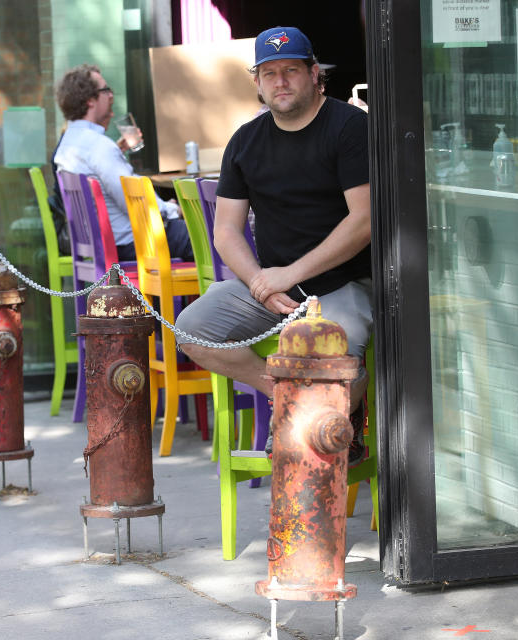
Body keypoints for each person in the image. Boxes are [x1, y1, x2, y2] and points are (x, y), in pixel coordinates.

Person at [174, 26, 373, 459]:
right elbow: (225, 231)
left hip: (342, 284)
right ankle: (288, 398)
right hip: (273, 290)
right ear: (257, 83)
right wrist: (261, 282)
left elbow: (365, 220)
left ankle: (322, 421)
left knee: (342, 350)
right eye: (269, 73)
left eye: (291, 70)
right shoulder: (246, 140)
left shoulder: (350, 127)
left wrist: (290, 275)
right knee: (190, 331)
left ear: (314, 73)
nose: (280, 81)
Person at [53, 64, 194, 262]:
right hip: (136, 242)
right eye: (105, 90)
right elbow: (135, 201)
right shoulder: (98, 146)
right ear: (89, 101)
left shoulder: (68, 143)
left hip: (108, 245)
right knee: (213, 237)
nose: (111, 95)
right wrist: (175, 210)